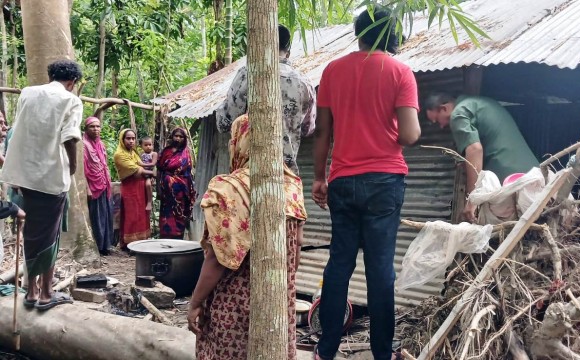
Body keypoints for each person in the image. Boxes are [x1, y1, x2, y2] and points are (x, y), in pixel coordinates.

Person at [311, 7, 421, 360]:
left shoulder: (332, 70)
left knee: (338, 265)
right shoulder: (401, 72)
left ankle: (325, 350)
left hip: (342, 180)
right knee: (380, 270)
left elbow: (323, 133)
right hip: (384, 181)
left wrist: (317, 177)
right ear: (392, 34)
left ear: (358, 33)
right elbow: (409, 134)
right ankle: (381, 354)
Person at [187, 115, 307, 359]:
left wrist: (195, 302)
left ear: (238, 141)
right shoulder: (291, 185)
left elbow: (216, 258)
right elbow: (296, 255)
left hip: (234, 307)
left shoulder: (229, 190)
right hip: (277, 305)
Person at [1, 60, 83, 310]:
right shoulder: (71, 100)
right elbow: (70, 137)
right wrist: (72, 166)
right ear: (71, 83)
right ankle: (45, 294)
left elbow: (21, 132)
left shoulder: (28, 93)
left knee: (33, 233)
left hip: (24, 177)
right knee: (49, 236)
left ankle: (32, 290)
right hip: (50, 178)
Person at [216, 24, 316, 174]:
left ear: (260, 46)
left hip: (249, 175)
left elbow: (223, 123)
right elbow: (308, 129)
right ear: (288, 53)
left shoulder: (248, 74)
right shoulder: (305, 83)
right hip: (286, 176)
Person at [424, 93, 539, 222]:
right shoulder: (479, 103)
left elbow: (475, 149)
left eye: (438, 120)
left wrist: (472, 199)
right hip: (534, 173)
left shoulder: (458, 114)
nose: (441, 126)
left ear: (444, 108)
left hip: (512, 179)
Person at [114, 129, 153, 248]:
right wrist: (154, 173)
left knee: (141, 214)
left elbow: (140, 168)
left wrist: (145, 172)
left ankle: (141, 242)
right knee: (131, 215)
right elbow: (136, 171)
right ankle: (130, 244)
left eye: (133, 138)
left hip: (140, 187)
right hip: (130, 187)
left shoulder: (133, 153)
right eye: (128, 138)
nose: (131, 141)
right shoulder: (119, 155)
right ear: (122, 139)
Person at [156, 128, 195, 239]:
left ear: (184, 139)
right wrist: (158, 187)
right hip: (167, 192)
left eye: (181, 137)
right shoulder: (166, 151)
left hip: (181, 192)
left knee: (179, 214)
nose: (178, 138)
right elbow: (159, 169)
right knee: (166, 214)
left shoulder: (186, 153)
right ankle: (166, 239)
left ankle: (178, 239)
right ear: (172, 137)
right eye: (176, 136)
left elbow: (188, 173)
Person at [83, 116, 114, 256]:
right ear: (86, 128)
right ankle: (98, 246)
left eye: (98, 126)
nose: (96, 129)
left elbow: (104, 164)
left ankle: (106, 245)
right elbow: (82, 170)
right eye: (92, 126)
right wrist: (87, 188)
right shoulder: (83, 145)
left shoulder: (100, 144)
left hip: (104, 184)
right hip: (93, 186)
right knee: (96, 216)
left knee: (106, 215)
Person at [138, 136, 157, 211]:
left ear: (152, 145)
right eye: (145, 145)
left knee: (148, 184)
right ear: (141, 146)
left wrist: (142, 164)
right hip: (141, 173)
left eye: (150, 145)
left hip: (149, 174)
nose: (148, 147)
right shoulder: (141, 154)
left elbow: (153, 163)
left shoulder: (154, 154)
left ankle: (149, 201)